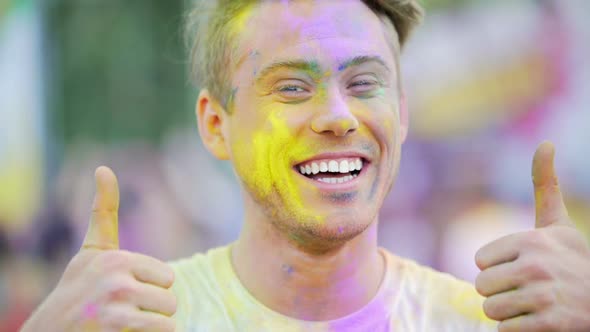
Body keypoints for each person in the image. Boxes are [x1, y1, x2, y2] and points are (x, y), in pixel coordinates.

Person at [22, 0, 590, 331]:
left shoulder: (490, 324)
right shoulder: (142, 323)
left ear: (402, 113)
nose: (339, 117)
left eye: (364, 83)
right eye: (293, 88)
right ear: (216, 125)